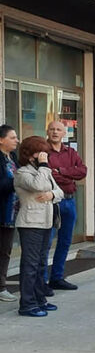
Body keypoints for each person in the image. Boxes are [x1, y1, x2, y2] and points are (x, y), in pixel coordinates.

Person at [14, 136, 63, 317]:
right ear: (30, 154)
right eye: (40, 152)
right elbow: (39, 185)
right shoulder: (22, 173)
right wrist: (43, 167)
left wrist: (51, 194)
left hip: (46, 222)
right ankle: (27, 304)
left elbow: (60, 191)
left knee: (41, 263)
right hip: (30, 224)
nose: (44, 155)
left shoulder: (44, 171)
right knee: (30, 264)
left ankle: (39, 299)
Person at [45, 120, 87, 291]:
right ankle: (42, 281)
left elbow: (82, 171)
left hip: (69, 201)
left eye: (58, 130)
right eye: (52, 129)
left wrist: (61, 171)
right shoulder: (42, 151)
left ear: (64, 133)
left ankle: (57, 277)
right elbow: (47, 176)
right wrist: (69, 174)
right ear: (47, 132)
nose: (55, 132)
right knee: (46, 242)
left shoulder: (71, 152)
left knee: (65, 241)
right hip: (51, 202)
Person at [0, 125, 19, 303]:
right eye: (12, 137)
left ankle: (1, 287)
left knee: (5, 251)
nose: (16, 140)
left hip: (11, 213)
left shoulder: (12, 157)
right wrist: (16, 181)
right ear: (1, 139)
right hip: (2, 210)